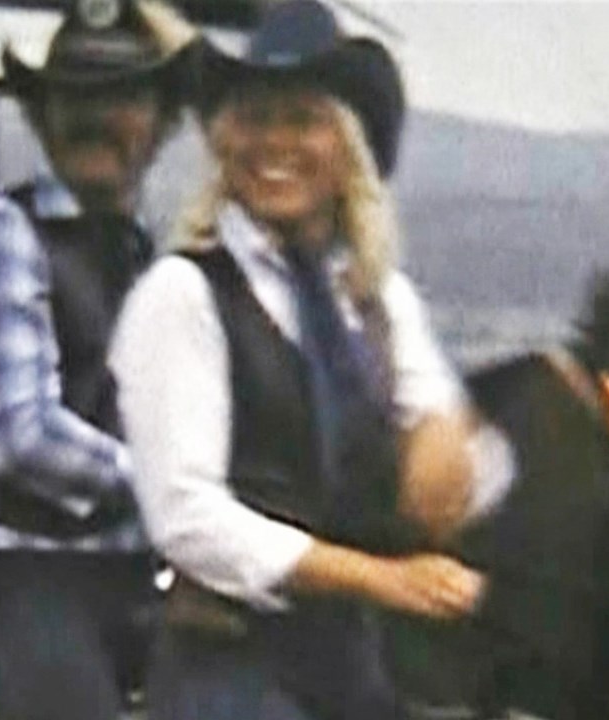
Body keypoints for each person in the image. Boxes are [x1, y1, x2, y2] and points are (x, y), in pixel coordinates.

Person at [113, 2, 515, 718]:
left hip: (350, 672)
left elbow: (471, 457)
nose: (275, 143)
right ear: (224, 140)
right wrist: (378, 579)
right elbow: (186, 515)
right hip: (228, 673)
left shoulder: (378, 302)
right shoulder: (182, 293)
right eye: (254, 119)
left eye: (302, 120)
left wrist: (451, 451)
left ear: (348, 147)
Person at [0, 2, 195, 720]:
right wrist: (179, 488)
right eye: (73, 97)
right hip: (22, 585)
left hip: (134, 580)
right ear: (42, 117)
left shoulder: (145, 257)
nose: (94, 116)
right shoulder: (1, 236)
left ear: (163, 124)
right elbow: (23, 436)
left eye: (122, 97)